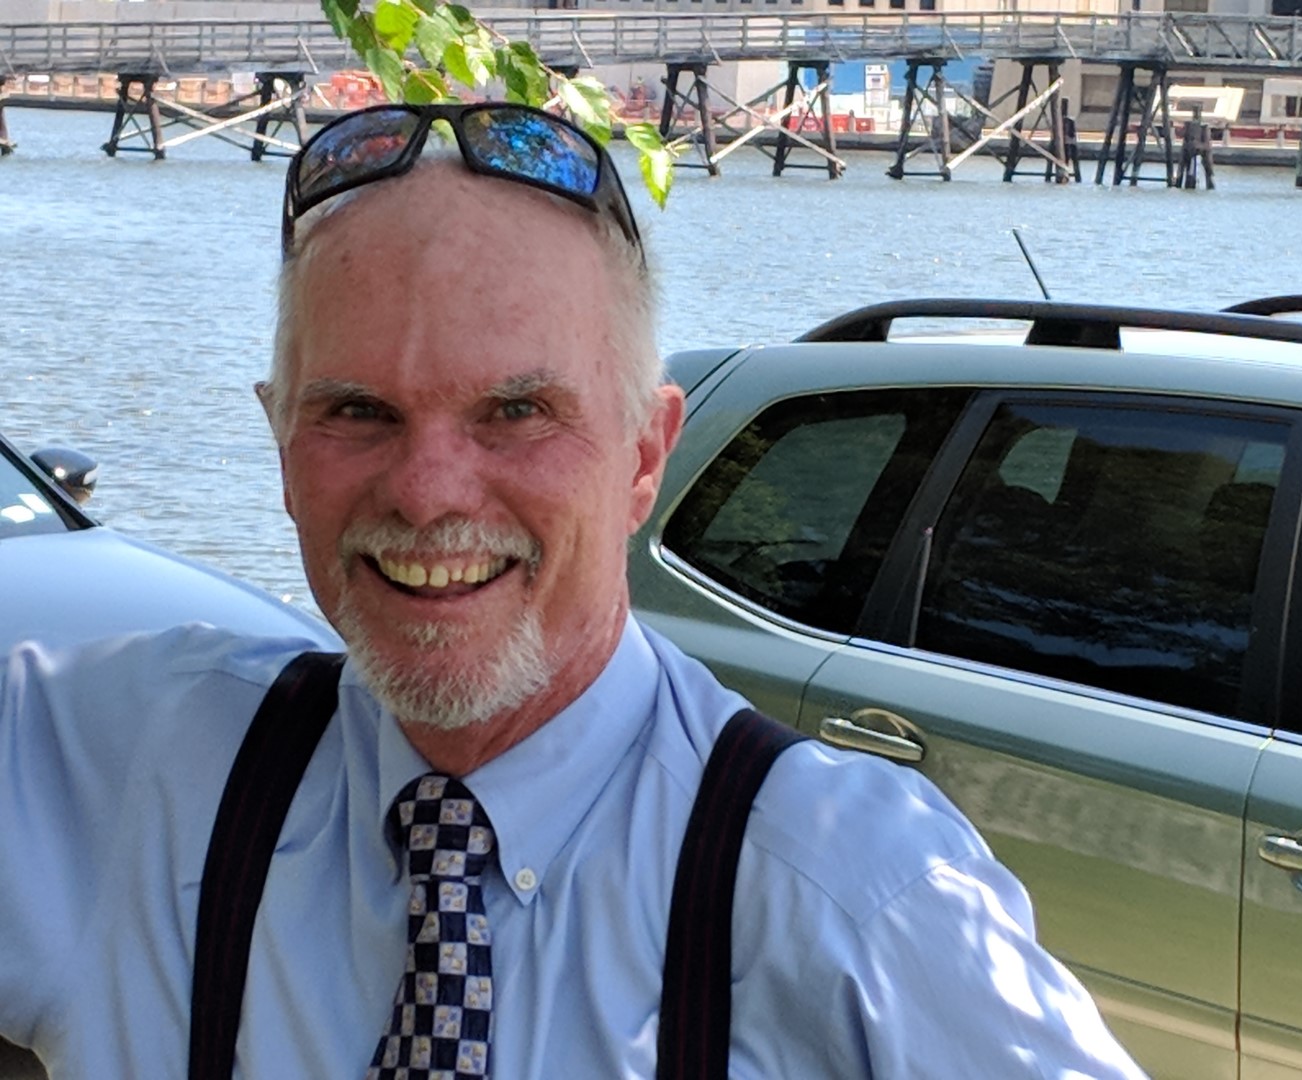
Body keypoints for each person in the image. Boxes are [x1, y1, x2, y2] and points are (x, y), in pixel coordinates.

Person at [0, 103, 1147, 1079]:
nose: (428, 491)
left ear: (646, 454)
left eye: (516, 410)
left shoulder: (855, 895)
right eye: (357, 411)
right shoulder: (118, 767)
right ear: (281, 444)